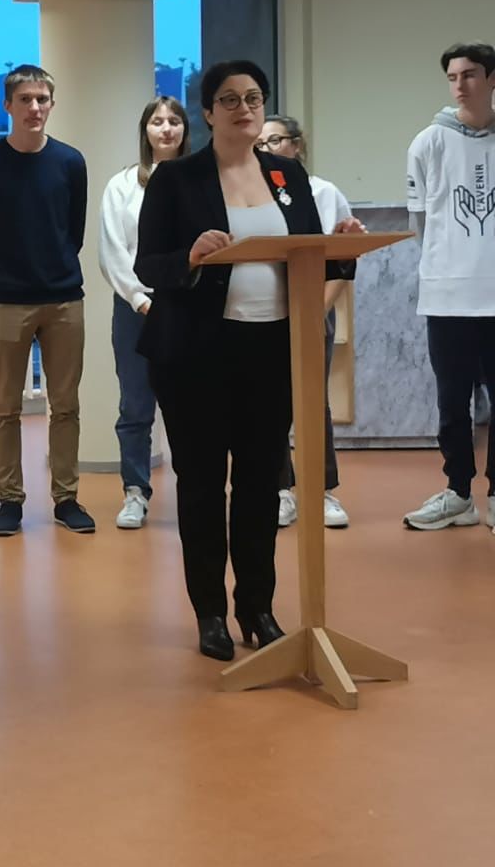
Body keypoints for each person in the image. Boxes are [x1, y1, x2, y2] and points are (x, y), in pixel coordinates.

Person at [136, 61, 362, 661]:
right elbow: (148, 266)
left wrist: (343, 243)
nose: (244, 107)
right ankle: (210, 612)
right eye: (229, 99)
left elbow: (310, 257)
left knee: (262, 484)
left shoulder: (287, 175)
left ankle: (258, 607)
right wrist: (190, 254)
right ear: (208, 112)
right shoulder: (177, 179)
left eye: (254, 98)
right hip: (195, 354)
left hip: (272, 349)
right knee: (205, 484)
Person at [0, 64, 93, 537]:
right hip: (9, 303)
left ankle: (66, 497)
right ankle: (10, 501)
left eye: (42, 100)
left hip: (63, 301)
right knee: (5, 407)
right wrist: (3, 278)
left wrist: (51, 269)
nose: (35, 108)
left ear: (51, 105)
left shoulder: (71, 162)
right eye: (26, 100)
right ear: (9, 105)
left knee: (66, 404)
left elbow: (72, 231)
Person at [402, 43, 495, 532]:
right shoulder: (428, 143)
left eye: (472, 74)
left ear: (492, 79)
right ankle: (459, 493)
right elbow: (420, 222)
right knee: (452, 402)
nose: (461, 85)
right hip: (448, 294)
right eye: (453, 76)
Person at [258, 114, 353, 530]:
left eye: (275, 140)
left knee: (314, 401)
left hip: (315, 309)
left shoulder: (324, 193)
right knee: (269, 403)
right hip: (264, 312)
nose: (266, 149)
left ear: (296, 145)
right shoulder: (250, 196)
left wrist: (316, 310)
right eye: (260, 143)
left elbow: (341, 259)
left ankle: (322, 491)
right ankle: (281, 489)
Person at [98, 95, 189, 530]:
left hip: (188, 305)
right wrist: (140, 298)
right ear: (146, 131)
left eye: (174, 121)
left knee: (192, 405)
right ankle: (135, 492)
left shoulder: (201, 182)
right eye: (158, 121)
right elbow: (113, 251)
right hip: (136, 307)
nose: (166, 128)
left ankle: (195, 488)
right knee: (135, 405)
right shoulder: (122, 185)